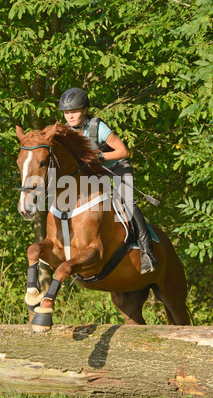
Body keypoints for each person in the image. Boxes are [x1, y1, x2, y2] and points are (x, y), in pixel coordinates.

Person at [58, 87, 158, 274]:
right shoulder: (65, 131)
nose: (70, 116)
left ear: (85, 110)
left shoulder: (97, 127)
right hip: (94, 172)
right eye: (66, 113)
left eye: (74, 111)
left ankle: (147, 253)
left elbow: (123, 151)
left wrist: (100, 156)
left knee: (126, 202)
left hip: (117, 166)